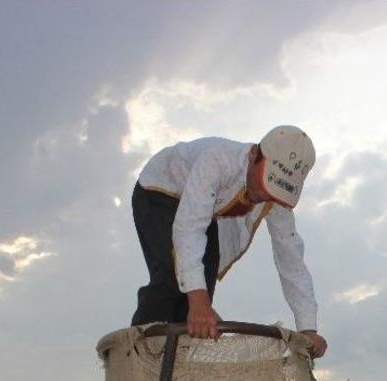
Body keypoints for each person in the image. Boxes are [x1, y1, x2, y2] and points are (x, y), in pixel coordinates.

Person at [130, 125, 328, 358]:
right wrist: (198, 300)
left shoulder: (275, 199)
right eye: (266, 184)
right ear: (254, 155)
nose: (265, 196)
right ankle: (140, 356)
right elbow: (189, 227)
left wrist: (308, 328)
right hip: (159, 190)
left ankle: (176, 363)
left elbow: (291, 259)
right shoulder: (217, 160)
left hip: (208, 210)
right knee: (173, 279)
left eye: (273, 192)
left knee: (202, 286)